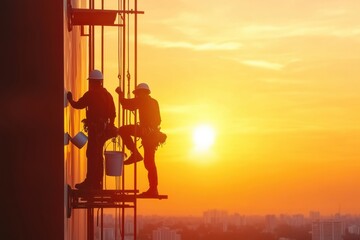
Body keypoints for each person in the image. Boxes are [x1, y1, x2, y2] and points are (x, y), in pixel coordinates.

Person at [67, 69, 116, 190]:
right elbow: (113, 114)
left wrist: (70, 99)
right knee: (98, 155)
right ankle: (97, 182)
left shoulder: (91, 94)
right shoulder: (108, 95)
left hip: (96, 130)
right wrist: (109, 126)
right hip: (104, 130)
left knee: (92, 154)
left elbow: (78, 105)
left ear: (93, 82)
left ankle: (90, 182)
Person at [116, 83, 166, 197]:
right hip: (152, 135)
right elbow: (158, 120)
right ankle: (153, 188)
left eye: (137, 94)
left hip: (147, 133)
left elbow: (126, 105)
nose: (137, 96)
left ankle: (135, 153)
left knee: (123, 130)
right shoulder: (154, 102)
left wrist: (120, 94)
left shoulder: (143, 100)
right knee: (149, 162)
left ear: (142, 93)